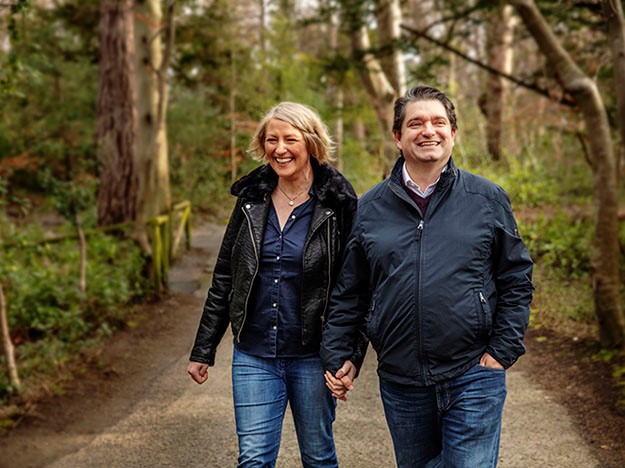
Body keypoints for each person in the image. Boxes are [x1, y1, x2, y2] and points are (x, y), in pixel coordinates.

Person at [320, 85, 534, 468]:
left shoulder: (487, 199)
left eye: (438, 122)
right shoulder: (369, 208)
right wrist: (340, 353)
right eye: (415, 123)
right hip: (402, 380)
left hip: (473, 371)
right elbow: (351, 290)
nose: (428, 130)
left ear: (453, 133)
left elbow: (516, 277)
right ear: (398, 137)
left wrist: (502, 351)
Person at [188, 101, 366, 468]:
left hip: (314, 356)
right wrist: (203, 348)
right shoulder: (251, 200)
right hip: (253, 353)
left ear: (311, 142)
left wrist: (351, 353)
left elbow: (358, 286)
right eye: (271, 140)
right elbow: (226, 275)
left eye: (290, 139)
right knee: (253, 459)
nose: (279, 149)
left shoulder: (339, 203)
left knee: (318, 456)